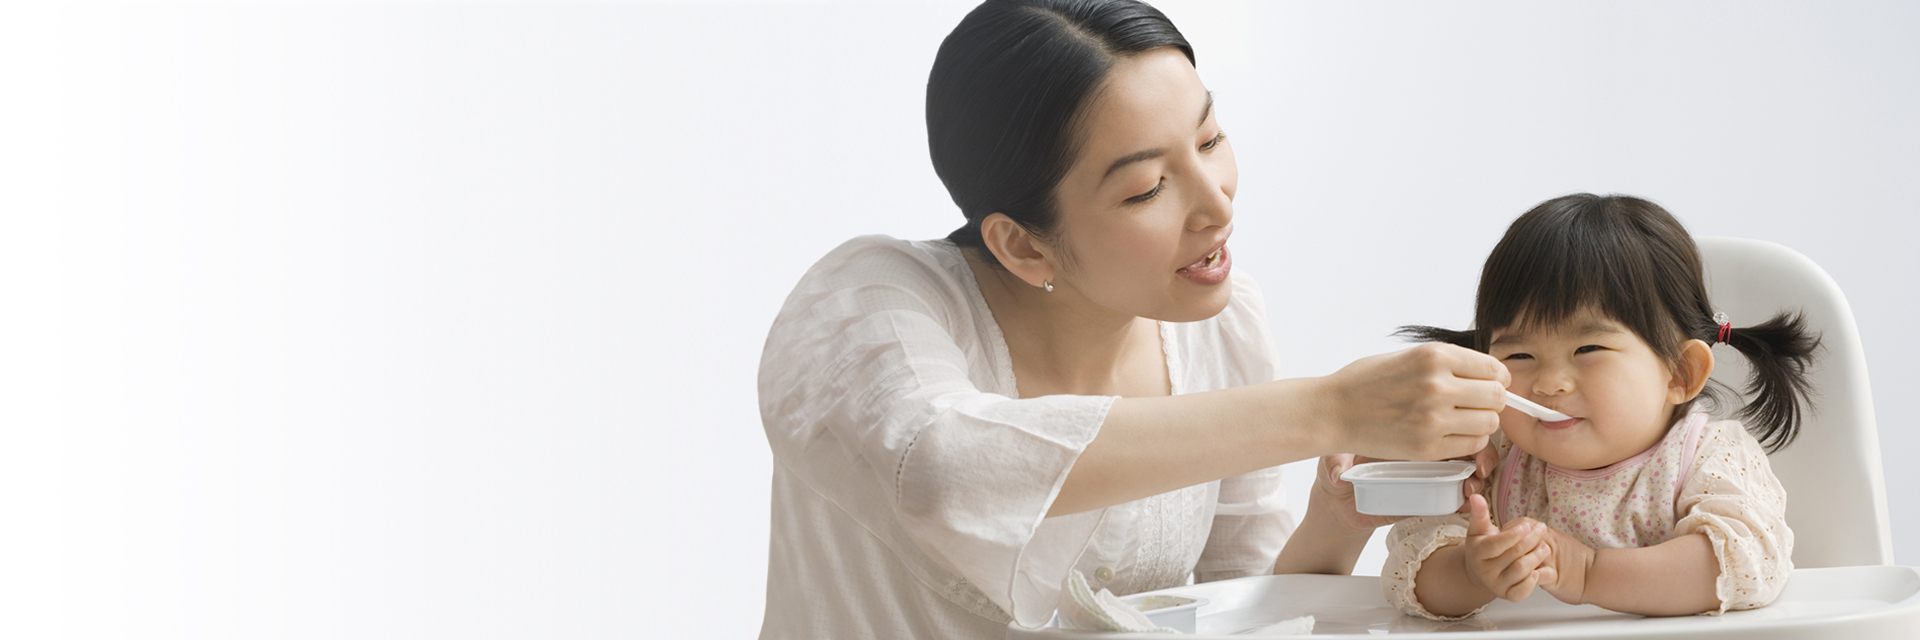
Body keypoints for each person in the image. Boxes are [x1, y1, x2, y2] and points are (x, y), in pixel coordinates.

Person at [757, 1, 1510, 637]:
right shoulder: (867, 301)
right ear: (1022, 244)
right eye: (1148, 187)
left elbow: (1241, 602)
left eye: (1210, 140)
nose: (1217, 203)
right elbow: (942, 471)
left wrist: (1332, 521)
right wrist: (1331, 409)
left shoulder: (1221, 327)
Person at [1381, 193, 1818, 620]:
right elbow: (1411, 569)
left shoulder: (1708, 454)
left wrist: (1587, 573)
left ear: (1679, 373)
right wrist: (1471, 573)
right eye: (1519, 355)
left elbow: (1743, 564)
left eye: (1587, 348)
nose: (1549, 383)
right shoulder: (1492, 458)